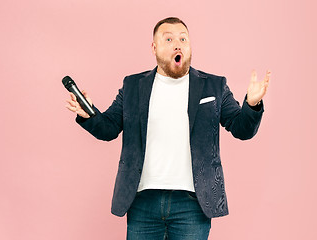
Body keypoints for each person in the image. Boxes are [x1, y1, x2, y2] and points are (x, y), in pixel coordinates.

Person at [66, 17, 270, 240]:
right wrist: (88, 114)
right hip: (142, 202)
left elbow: (241, 129)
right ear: (154, 48)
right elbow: (109, 128)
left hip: (193, 203)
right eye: (169, 39)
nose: (177, 44)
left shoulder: (214, 85)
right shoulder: (133, 85)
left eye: (183, 39)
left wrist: (252, 104)